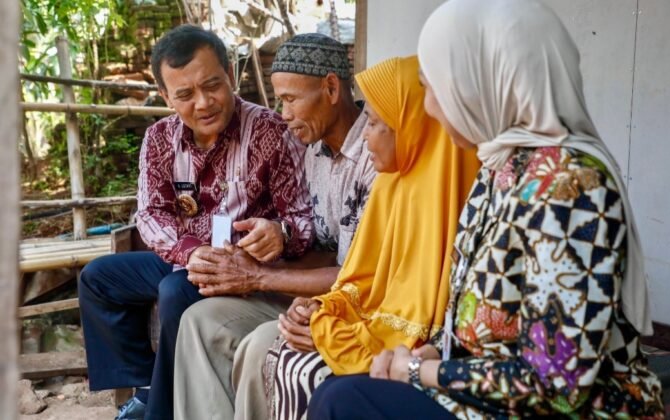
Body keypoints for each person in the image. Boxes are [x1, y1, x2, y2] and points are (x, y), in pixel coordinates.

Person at [308, 1, 665, 419]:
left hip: (564, 411)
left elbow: (558, 385)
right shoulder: (498, 171)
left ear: (485, 83)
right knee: (339, 389)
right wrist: (434, 353)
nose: (429, 108)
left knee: (343, 402)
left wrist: (425, 371)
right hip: (492, 396)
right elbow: (481, 322)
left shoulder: (571, 188)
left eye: (435, 87)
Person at [78, 25, 313, 420]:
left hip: (244, 269)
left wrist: (281, 234)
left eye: (212, 85)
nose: (203, 103)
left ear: (230, 75)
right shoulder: (159, 139)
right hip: (187, 258)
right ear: (166, 96)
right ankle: (147, 388)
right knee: (98, 279)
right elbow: (151, 213)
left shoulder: (271, 131)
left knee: (175, 290)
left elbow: (303, 219)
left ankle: (160, 411)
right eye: (185, 95)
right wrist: (191, 252)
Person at [172, 33, 376, 420]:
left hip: (360, 305)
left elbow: (361, 274)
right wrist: (266, 246)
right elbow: (321, 248)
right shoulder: (313, 151)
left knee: (262, 344)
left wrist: (259, 277)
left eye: (290, 99)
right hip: (314, 295)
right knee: (199, 320)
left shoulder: (377, 152)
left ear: (331, 88)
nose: (283, 113)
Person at [267, 55, 480, 420]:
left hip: (425, 352)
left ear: (411, 126)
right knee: (282, 353)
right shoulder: (390, 183)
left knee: (308, 373)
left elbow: (418, 320)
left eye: (375, 123)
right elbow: (362, 280)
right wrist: (321, 309)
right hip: (385, 333)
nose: (365, 134)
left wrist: (329, 332)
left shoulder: (446, 191)